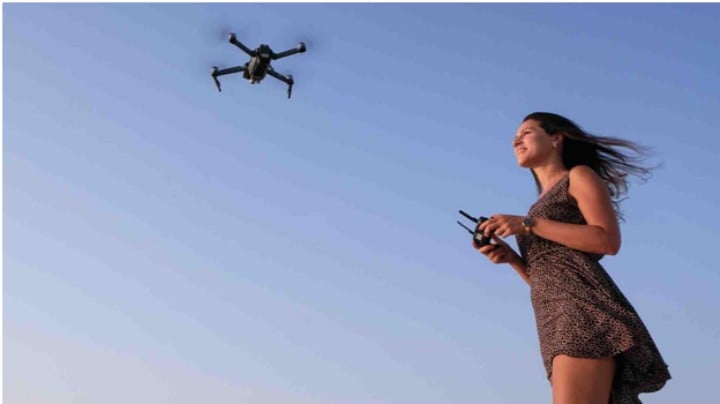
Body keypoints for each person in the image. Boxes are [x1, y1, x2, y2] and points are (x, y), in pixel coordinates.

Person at [475, 112, 670, 404]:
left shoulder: (578, 176)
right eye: (515, 135)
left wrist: (528, 224)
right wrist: (514, 260)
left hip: (582, 315)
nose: (516, 139)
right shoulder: (537, 205)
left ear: (556, 138)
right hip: (553, 318)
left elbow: (608, 240)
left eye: (527, 132)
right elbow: (553, 279)